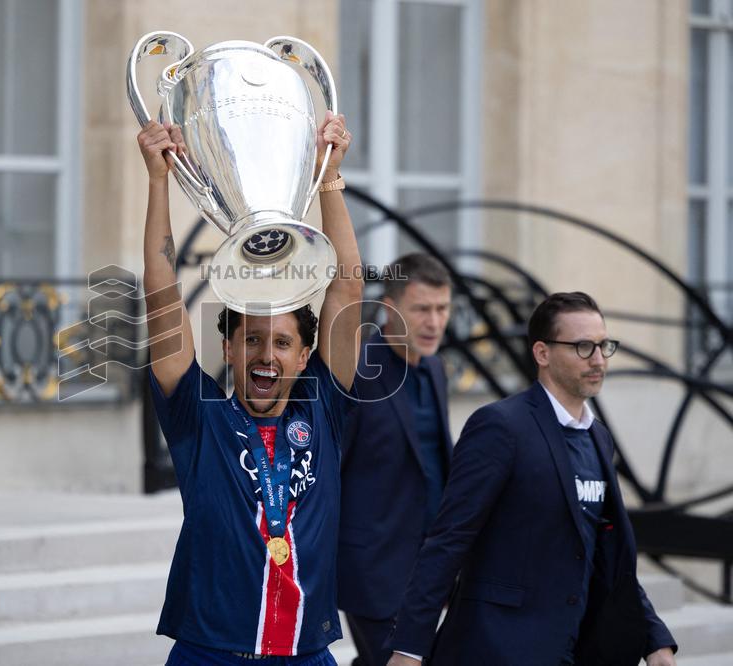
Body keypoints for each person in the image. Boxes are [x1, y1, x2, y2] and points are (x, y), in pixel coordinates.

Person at [138, 111, 364, 665]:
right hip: (211, 652)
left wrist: (328, 178)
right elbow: (162, 294)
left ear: (305, 355)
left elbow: (348, 288)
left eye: (283, 343)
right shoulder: (200, 418)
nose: (267, 354)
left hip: (307, 653)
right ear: (230, 349)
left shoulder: (324, 410)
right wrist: (157, 180)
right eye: (253, 340)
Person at [386, 292, 678, 666]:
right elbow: (448, 540)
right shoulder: (500, 427)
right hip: (496, 648)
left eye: (604, 346)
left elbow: (609, 556)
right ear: (542, 353)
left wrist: (654, 639)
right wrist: (409, 647)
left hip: (575, 648)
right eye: (583, 347)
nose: (599, 360)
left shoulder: (598, 438)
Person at [337, 253, 454, 666]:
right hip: (374, 572)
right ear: (389, 309)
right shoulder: (355, 371)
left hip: (431, 571)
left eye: (442, 309)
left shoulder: (436, 368)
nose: (434, 322)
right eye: (421, 309)